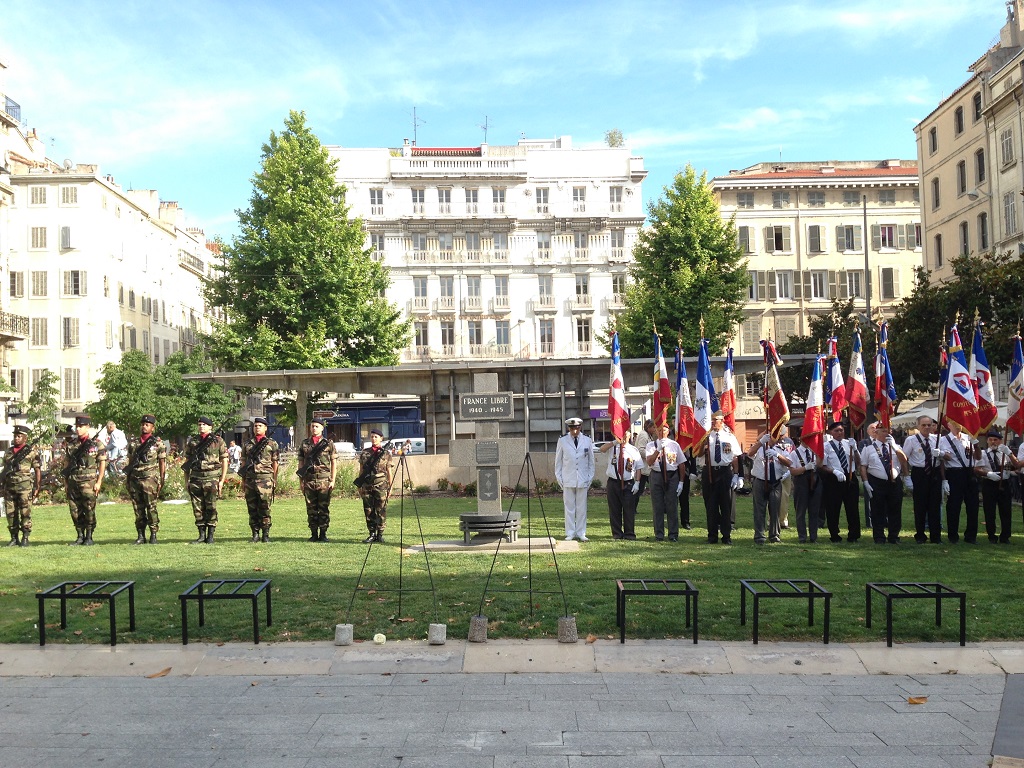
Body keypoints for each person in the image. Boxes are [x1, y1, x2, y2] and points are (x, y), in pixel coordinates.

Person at [859, 421, 908, 544]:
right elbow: (863, 466)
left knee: (895, 510)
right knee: (877, 510)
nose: (887, 433)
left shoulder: (895, 446)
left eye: (888, 431)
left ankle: (894, 536)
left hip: (894, 482)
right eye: (884, 431)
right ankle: (879, 537)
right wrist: (865, 482)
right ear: (876, 433)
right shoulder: (868, 449)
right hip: (877, 482)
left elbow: (904, 460)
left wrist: (895, 447)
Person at [183, 416, 228, 544]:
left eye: (204, 424)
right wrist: (187, 480)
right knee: (197, 508)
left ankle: (211, 535)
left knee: (211, 507)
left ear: (210, 427)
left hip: (211, 477)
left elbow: (224, 460)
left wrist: (221, 480)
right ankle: (201, 534)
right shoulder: (193, 442)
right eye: (200, 424)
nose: (201, 426)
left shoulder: (218, 441)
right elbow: (187, 463)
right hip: (196, 477)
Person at [903, 416, 946, 544]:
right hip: (919, 473)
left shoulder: (938, 440)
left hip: (935, 473)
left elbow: (947, 457)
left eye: (929, 425)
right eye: (924, 425)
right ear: (918, 426)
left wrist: (942, 454)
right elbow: (904, 458)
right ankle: (920, 535)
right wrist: (907, 476)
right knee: (920, 506)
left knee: (935, 505)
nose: (927, 427)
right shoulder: (911, 440)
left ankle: (935, 536)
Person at [64, 415, 106, 545]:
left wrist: (99, 481)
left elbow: (102, 463)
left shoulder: (97, 444)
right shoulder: (71, 445)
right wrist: (66, 482)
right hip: (73, 481)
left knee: (89, 509)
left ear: (87, 427)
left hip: (89, 481)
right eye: (77, 426)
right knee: (74, 510)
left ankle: (89, 536)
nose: (78, 429)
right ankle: (80, 535)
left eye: (81, 426)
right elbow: (66, 464)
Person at [700, 411, 741, 544]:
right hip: (709, 472)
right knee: (710, 505)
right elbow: (698, 453)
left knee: (725, 505)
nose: (713, 422)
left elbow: (735, 457)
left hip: (724, 473)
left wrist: (736, 474)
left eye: (715, 420)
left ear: (722, 421)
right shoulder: (706, 436)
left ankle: (726, 536)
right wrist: (703, 444)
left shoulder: (729, 437)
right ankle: (712, 535)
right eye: (711, 420)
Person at [124, 414, 166, 544]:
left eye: (147, 425)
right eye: (142, 424)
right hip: (135, 479)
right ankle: (141, 535)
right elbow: (130, 461)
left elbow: (162, 462)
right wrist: (128, 478)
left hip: (150, 479)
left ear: (152, 428)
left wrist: (161, 479)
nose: (144, 426)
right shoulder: (134, 443)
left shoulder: (158, 443)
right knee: (138, 508)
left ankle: (153, 534)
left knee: (151, 507)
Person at [747, 429, 792, 544]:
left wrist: (777, 455)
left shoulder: (781, 449)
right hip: (760, 481)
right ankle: (759, 536)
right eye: (775, 436)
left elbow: (789, 463)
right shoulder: (760, 448)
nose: (779, 438)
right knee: (759, 509)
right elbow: (750, 453)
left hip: (775, 482)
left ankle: (774, 535)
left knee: (775, 510)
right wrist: (761, 442)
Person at [554, 417, 595, 542]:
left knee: (581, 507)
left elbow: (591, 462)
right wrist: (560, 478)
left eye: (577, 428)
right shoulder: (562, 440)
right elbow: (558, 462)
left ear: (580, 427)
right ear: (569, 428)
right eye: (572, 428)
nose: (575, 431)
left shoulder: (587, 440)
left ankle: (581, 532)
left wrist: (589, 478)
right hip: (568, 477)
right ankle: (570, 532)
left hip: (582, 478)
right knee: (569, 507)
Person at [297, 417, 337, 542]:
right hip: (309, 480)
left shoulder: (328, 443)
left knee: (323, 508)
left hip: (324, 480)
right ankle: (314, 533)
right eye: (312, 426)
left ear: (322, 428)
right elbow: (301, 463)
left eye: (317, 426)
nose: (314, 428)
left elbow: (333, 462)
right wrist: (301, 481)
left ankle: (323, 533)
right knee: (311, 508)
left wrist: (333, 479)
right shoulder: (304, 444)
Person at [821, 421, 861, 543]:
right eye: (836, 431)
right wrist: (834, 472)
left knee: (852, 508)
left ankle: (853, 535)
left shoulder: (849, 444)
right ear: (830, 432)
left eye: (841, 430)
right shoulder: (826, 446)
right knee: (833, 508)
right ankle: (834, 535)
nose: (839, 433)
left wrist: (855, 449)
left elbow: (858, 462)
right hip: (834, 479)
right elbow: (822, 465)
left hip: (850, 477)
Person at [941, 420, 980, 543]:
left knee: (973, 506)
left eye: (959, 422)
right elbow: (941, 462)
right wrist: (944, 480)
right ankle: (953, 536)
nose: (958, 425)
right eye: (954, 423)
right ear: (949, 425)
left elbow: (978, 457)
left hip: (969, 472)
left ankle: (971, 536)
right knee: (953, 506)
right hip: (954, 473)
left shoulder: (968, 438)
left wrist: (977, 445)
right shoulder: (943, 440)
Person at [644, 423, 685, 541]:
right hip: (656, 475)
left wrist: (681, 482)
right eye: (660, 429)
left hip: (672, 476)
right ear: (656, 431)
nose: (662, 431)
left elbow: (681, 463)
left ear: (668, 431)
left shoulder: (674, 445)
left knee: (672, 505)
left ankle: (673, 534)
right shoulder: (651, 445)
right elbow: (650, 462)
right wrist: (658, 449)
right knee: (657, 506)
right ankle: (659, 534)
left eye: (665, 429)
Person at [241, 416, 279, 542]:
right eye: (255, 426)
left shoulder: (272, 444)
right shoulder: (247, 444)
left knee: (265, 508)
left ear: (265, 428)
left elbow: (275, 463)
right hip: (250, 479)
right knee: (252, 508)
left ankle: (266, 534)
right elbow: (243, 463)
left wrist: (274, 479)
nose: (257, 428)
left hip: (265, 479)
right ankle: (255, 534)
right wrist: (243, 480)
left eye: (260, 426)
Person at [2, 425, 40, 547]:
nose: (16, 438)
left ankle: (25, 537)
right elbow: (4, 468)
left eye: (19, 436)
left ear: (25, 438)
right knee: (10, 513)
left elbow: (37, 469)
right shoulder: (8, 452)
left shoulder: (31, 452)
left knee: (25, 513)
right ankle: (14, 538)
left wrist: (37, 486)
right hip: (9, 487)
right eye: (15, 436)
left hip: (25, 488)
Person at [978, 429, 1019, 543]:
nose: (993, 442)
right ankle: (991, 535)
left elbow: (1015, 465)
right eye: (990, 440)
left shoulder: (1004, 453)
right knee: (989, 511)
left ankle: (1005, 536)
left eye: (995, 440)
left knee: (1006, 511)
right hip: (989, 483)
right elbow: (977, 469)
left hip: (1004, 484)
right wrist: (987, 473)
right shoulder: (983, 453)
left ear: (1001, 441)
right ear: (987, 441)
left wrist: (1009, 454)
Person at [599, 434, 642, 540]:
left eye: (626, 434)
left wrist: (637, 482)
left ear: (629, 435)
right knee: (614, 509)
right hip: (613, 482)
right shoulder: (613, 447)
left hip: (628, 483)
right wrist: (615, 442)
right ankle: (617, 533)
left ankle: (629, 534)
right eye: (621, 434)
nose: (623, 437)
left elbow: (639, 468)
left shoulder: (633, 450)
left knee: (629, 509)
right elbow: (602, 449)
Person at [357, 428, 392, 543]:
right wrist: (360, 485)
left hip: (381, 485)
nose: (373, 438)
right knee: (368, 510)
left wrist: (390, 486)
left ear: (381, 438)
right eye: (372, 436)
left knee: (381, 509)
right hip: (367, 485)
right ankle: (371, 533)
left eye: (376, 437)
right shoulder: (365, 452)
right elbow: (361, 470)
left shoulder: (386, 453)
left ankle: (380, 534)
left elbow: (389, 471)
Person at [789, 434, 823, 544]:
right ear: (801, 439)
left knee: (814, 511)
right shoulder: (794, 453)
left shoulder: (814, 451)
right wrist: (805, 468)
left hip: (814, 480)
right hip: (801, 481)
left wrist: (818, 455)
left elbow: (820, 464)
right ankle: (802, 537)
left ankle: (814, 537)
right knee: (801, 511)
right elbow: (793, 471)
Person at [775, 425, 796, 529]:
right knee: (773, 498)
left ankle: (783, 521)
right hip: (774, 472)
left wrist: (789, 471)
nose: (782, 436)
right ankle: (772, 520)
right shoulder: (771, 440)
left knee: (785, 497)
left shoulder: (790, 442)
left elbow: (793, 455)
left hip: (787, 472)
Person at [633, 420, 657, 497]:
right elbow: (640, 450)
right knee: (638, 490)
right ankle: (632, 507)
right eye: (653, 427)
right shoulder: (644, 435)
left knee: (641, 489)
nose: (654, 429)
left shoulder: (648, 435)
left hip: (646, 468)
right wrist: (652, 457)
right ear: (648, 427)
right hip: (643, 468)